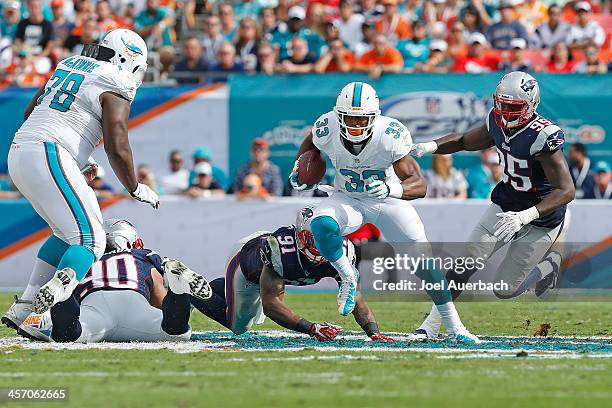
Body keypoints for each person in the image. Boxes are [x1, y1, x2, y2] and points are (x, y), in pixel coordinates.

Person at [288, 82, 479, 343]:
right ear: (338, 116)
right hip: (349, 198)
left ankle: (456, 327)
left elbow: (420, 185)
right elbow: (312, 141)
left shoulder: (389, 135)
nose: (355, 125)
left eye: (361, 118)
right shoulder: (327, 126)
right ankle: (348, 275)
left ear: (374, 117)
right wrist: (300, 166)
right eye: (349, 118)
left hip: (387, 201)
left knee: (425, 265)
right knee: (321, 224)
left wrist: (393, 188)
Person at [2, 29, 160, 331]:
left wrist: (77, 157)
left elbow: (29, 112)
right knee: (91, 239)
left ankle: (25, 305)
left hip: (21, 151)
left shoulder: (71, 63)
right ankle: (44, 314)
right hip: (48, 152)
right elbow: (118, 141)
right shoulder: (117, 79)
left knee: (66, 234)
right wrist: (134, 186)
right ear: (127, 58)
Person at [410, 71, 575, 337]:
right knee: (464, 265)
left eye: (513, 107)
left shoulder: (543, 135)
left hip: (541, 218)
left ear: (531, 104)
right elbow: (464, 140)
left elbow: (566, 190)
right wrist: (429, 146)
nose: (505, 113)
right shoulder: (496, 123)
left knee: (504, 289)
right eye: (501, 105)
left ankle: (550, 264)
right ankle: (431, 325)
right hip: (505, 205)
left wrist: (525, 216)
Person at [191, 207, 393, 341]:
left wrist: (373, 332)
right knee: (239, 325)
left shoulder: (342, 252)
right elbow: (271, 305)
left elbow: (355, 297)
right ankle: (191, 290)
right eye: (313, 239)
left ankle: (210, 287)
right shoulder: (280, 250)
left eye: (325, 239)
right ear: (300, 236)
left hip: (269, 270)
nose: (320, 246)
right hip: (247, 261)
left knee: (245, 310)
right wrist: (311, 328)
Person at [18, 219, 212, 342]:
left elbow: (36, 321)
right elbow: (160, 300)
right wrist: (176, 304)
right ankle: (179, 290)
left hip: (95, 305)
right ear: (132, 241)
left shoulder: (85, 256)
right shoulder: (141, 255)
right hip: (132, 301)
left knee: (67, 334)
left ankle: (63, 294)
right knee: (177, 332)